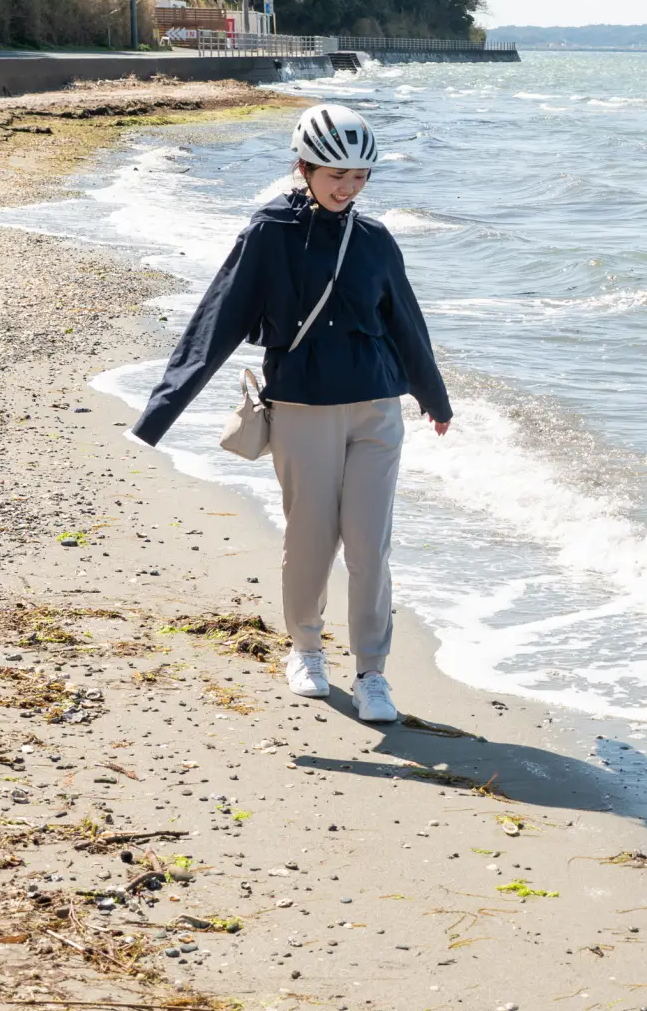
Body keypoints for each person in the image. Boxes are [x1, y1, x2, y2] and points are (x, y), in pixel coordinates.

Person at [128, 103, 452, 723]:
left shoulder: (376, 240)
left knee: (369, 546)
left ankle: (371, 674)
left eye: (360, 177)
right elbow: (217, 319)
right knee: (310, 539)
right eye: (336, 174)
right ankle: (305, 648)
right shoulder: (268, 233)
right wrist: (161, 411)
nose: (348, 187)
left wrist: (432, 398)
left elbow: (406, 323)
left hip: (376, 410)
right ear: (303, 167)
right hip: (303, 407)